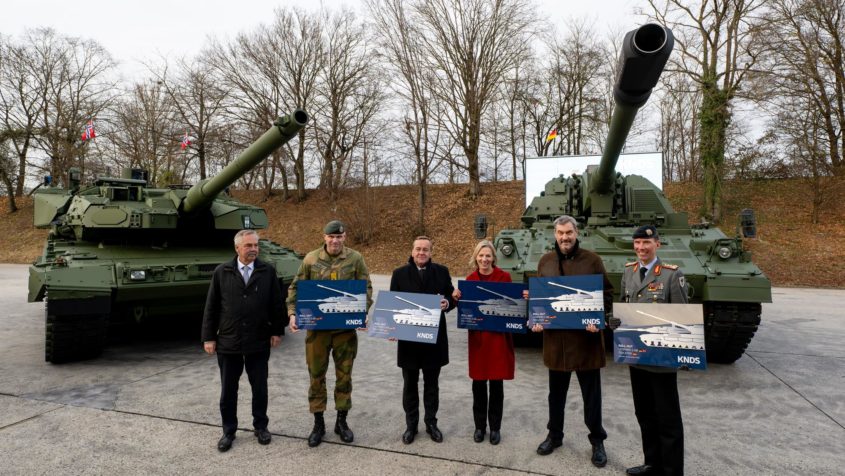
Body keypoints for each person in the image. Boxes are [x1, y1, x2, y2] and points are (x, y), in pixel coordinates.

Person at [529, 215, 613, 468]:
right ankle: (554, 436)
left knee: (592, 397)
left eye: (569, 232)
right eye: (560, 233)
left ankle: (597, 441)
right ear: (554, 234)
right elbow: (539, 299)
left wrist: (598, 319)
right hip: (556, 342)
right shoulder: (545, 261)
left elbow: (607, 294)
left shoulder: (592, 260)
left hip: (585, 340)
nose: (564, 237)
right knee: (556, 395)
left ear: (576, 232)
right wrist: (537, 318)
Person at [287, 220, 373, 448]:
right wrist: (293, 313)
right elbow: (296, 287)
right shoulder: (311, 259)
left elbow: (365, 287)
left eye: (339, 237)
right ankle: (318, 423)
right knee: (316, 375)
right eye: (331, 237)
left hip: (345, 331)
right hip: (318, 332)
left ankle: (341, 422)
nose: (335, 241)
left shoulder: (355, 259)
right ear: (324, 237)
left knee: (344, 376)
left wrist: (363, 311)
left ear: (345, 237)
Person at [201, 229, 286, 452]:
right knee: (228, 390)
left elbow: (277, 304)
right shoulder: (222, 272)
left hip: (258, 340)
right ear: (237, 248)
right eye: (248, 246)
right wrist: (209, 337)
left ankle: (261, 427)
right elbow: (212, 307)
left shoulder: (267, 271)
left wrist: (277, 330)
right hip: (229, 341)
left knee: (260, 388)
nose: (253, 249)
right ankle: (228, 431)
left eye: (256, 245)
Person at [621, 224, 688, 476]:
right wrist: (615, 320)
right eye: (637, 243)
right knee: (645, 414)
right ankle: (652, 464)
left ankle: (672, 471)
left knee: (668, 419)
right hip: (637, 358)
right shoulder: (629, 272)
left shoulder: (672, 275)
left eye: (646, 243)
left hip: (661, 359)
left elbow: (683, 318)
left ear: (657, 244)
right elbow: (624, 305)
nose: (641, 248)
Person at [390, 236, 455, 444]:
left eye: (425, 249)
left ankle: (431, 423)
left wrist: (447, 303)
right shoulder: (399, 274)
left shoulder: (442, 272)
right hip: (409, 341)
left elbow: (451, 298)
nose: (421, 253)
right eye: (418, 249)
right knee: (409, 384)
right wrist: (392, 327)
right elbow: (392, 305)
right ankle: (411, 426)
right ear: (412, 251)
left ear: (431, 252)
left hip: (433, 340)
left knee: (432, 384)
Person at [451, 240, 515, 445]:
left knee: (496, 385)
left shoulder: (504, 277)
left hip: (499, 340)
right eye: (481, 255)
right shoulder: (470, 280)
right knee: (478, 385)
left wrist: (524, 297)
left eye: (488, 255)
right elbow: (465, 309)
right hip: (478, 340)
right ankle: (480, 427)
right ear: (476, 257)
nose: (484, 259)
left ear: (493, 257)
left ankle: (495, 427)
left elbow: (515, 305)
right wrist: (456, 298)